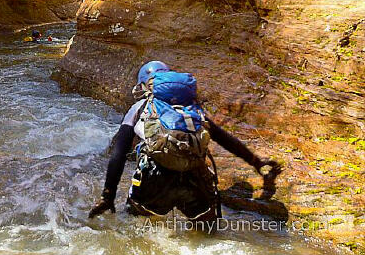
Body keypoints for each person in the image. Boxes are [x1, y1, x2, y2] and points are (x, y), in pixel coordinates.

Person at [88, 61, 282, 223]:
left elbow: (119, 154)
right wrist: (256, 162)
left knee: (134, 225)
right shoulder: (191, 109)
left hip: (154, 181)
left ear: (143, 86)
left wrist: (108, 195)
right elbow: (225, 139)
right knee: (207, 233)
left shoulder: (140, 107)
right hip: (195, 180)